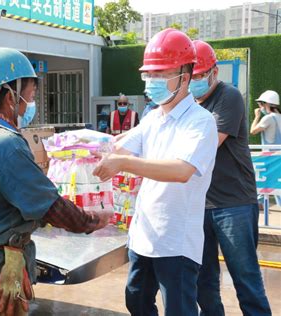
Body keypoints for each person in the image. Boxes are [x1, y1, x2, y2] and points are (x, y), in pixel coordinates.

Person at [0, 47, 112, 316]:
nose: (32, 101)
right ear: (10, 94)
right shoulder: (5, 144)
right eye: (30, 94)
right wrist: (93, 220)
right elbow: (50, 207)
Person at [93, 29, 218, 316]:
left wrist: (122, 164)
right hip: (144, 237)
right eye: (149, 75)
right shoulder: (152, 117)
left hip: (176, 242)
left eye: (160, 74)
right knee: (136, 302)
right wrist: (77, 148)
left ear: (185, 77)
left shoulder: (201, 122)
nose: (152, 82)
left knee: (179, 310)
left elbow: (181, 170)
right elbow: (120, 146)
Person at [189, 40, 271, 316]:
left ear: (214, 72)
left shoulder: (228, 96)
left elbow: (208, 143)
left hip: (234, 204)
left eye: (199, 76)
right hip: (199, 205)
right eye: (190, 76)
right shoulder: (187, 104)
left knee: (245, 278)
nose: (194, 81)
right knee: (203, 281)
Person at [250, 90, 281, 206]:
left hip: (269, 157)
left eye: (260, 104)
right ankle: (260, 201)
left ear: (266, 104)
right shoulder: (280, 117)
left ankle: (259, 202)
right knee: (277, 184)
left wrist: (257, 116)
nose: (260, 107)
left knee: (264, 180)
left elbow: (253, 131)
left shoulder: (268, 118)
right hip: (279, 156)